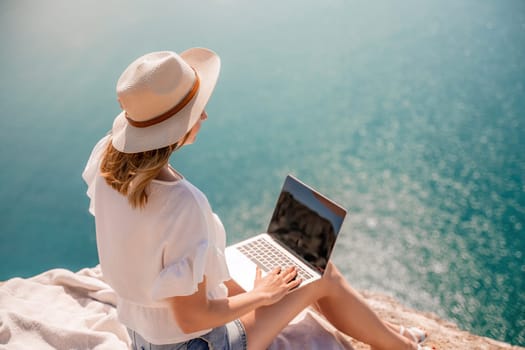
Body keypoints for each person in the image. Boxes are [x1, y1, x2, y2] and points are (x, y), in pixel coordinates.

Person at [83, 48, 435, 350]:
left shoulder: (106, 160)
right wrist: (263, 295)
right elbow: (191, 318)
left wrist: (251, 289)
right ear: (176, 127)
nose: (204, 115)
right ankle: (402, 345)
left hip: (142, 334)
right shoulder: (181, 203)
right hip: (196, 344)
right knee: (320, 272)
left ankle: (391, 334)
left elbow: (151, 249)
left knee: (283, 269)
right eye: (196, 110)